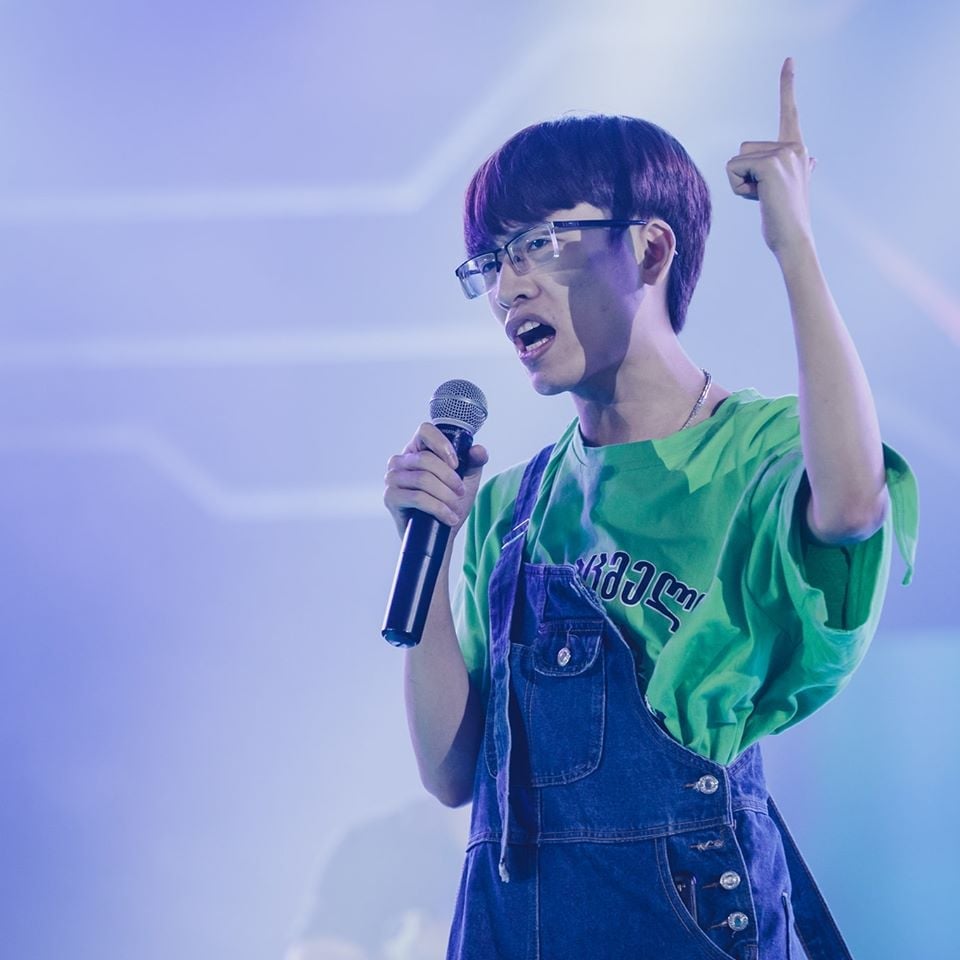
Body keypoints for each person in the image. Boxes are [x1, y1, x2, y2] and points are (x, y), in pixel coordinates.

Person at [383, 59, 918, 960]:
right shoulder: (510, 507)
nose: (509, 287)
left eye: (539, 243)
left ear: (651, 250)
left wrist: (792, 242)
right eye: (493, 259)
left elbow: (854, 501)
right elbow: (451, 774)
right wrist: (428, 556)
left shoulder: (758, 450)